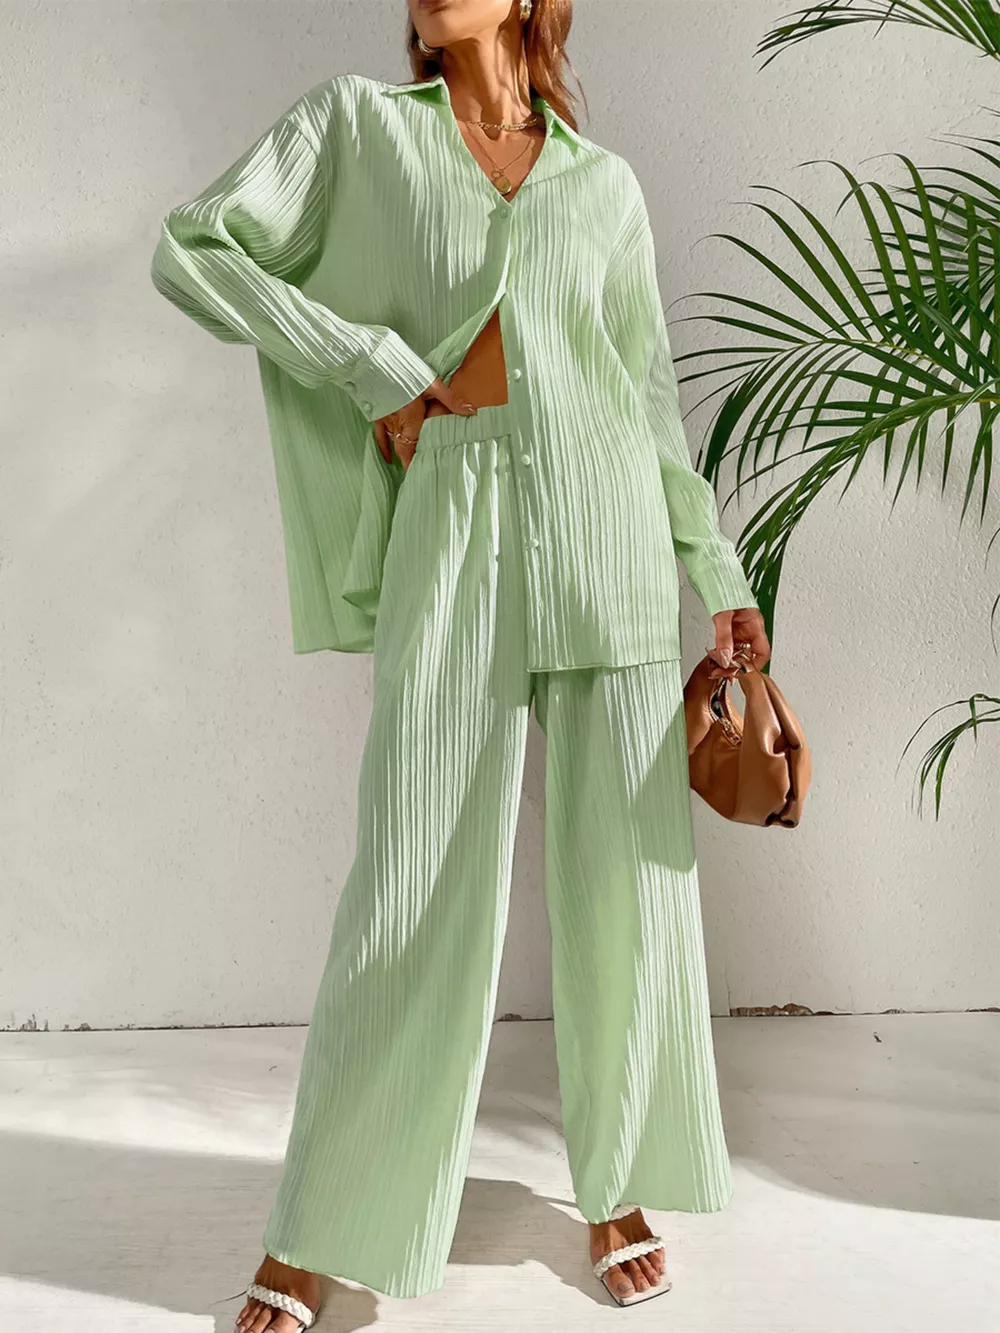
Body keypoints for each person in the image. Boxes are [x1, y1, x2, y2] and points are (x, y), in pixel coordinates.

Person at [150, 1, 771, 1327]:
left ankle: (618, 1185)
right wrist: (367, 364)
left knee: (628, 885)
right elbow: (193, 246)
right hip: (458, 515)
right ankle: (320, 1228)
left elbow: (645, 394)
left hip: (610, 530)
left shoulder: (603, 187)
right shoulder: (357, 129)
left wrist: (718, 576)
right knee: (411, 882)